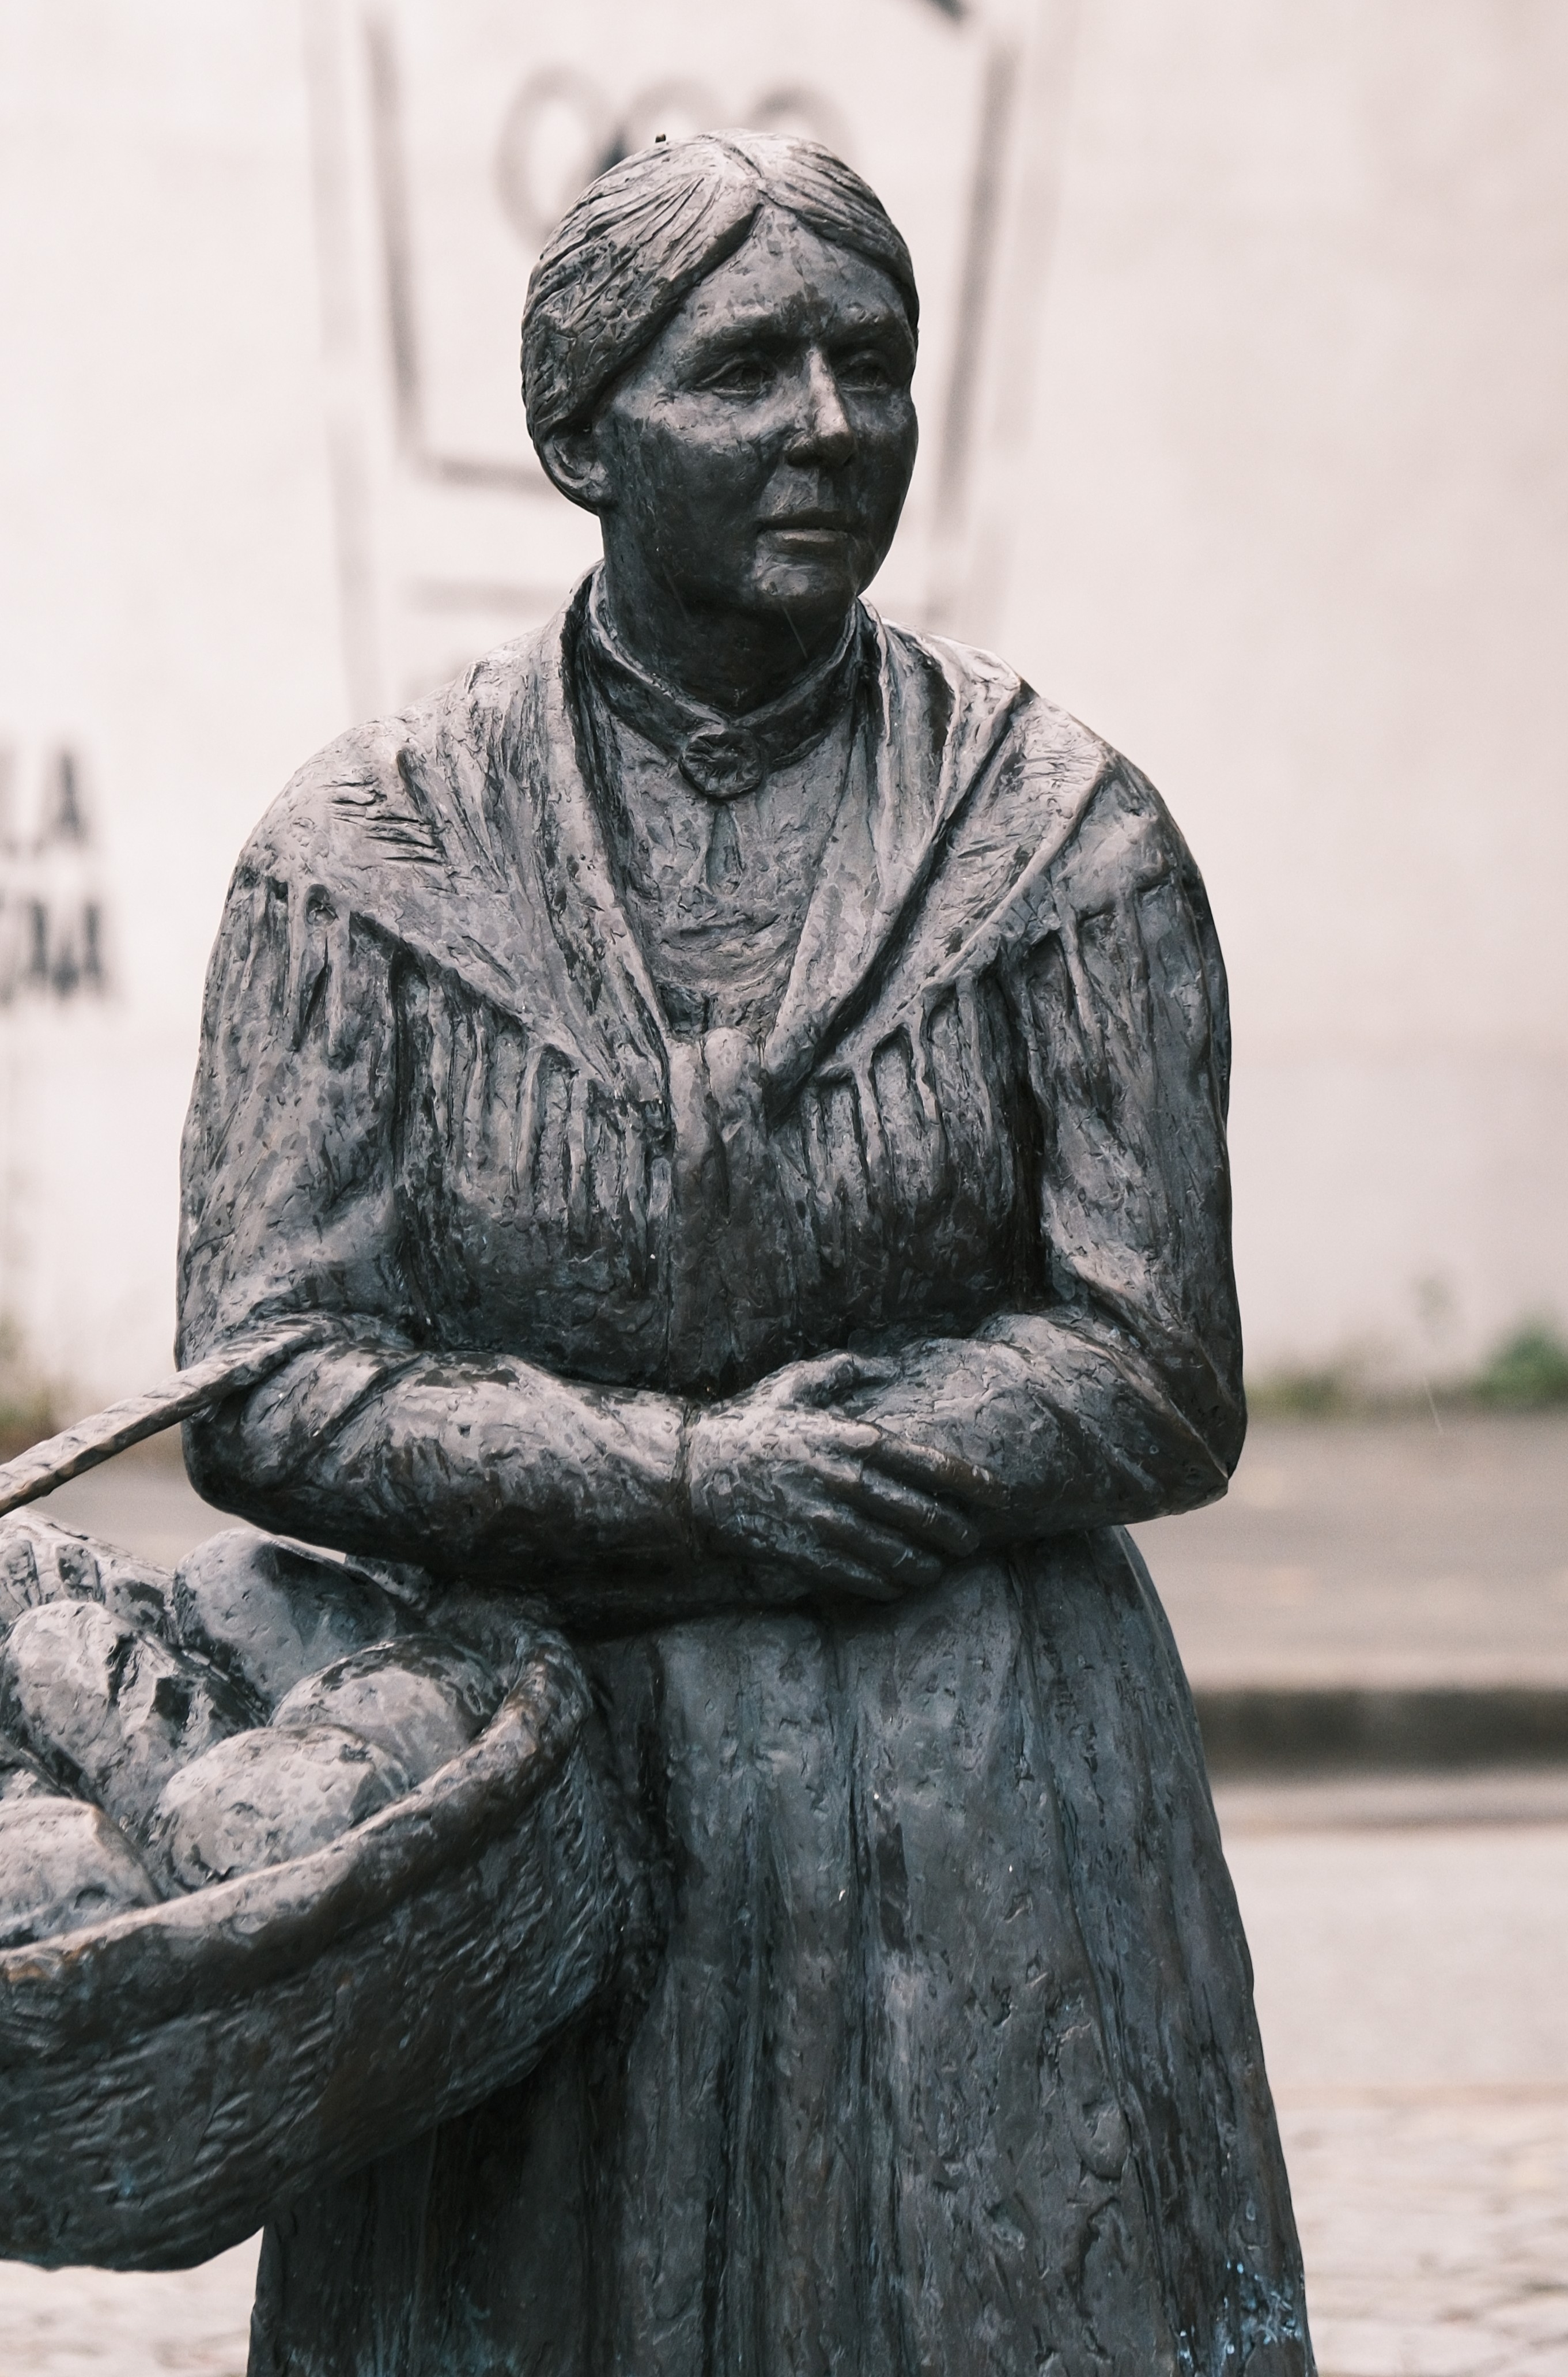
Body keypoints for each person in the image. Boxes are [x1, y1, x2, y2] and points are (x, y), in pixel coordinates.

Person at [179, 129, 1312, 2377]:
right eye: (746, 368)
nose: (826, 422)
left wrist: (865, 1451)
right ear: (582, 434)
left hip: (977, 1780)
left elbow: (1156, 1355)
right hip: (518, 1798)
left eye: (867, 364)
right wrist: (676, 1485)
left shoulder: (1054, 834)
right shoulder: (365, 854)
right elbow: (264, 1371)